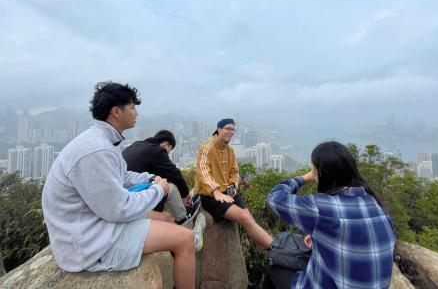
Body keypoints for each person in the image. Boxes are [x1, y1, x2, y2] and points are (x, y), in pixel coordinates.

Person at [42, 82, 197, 289]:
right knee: (186, 239)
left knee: (166, 218)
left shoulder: (103, 140)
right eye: (132, 107)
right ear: (116, 111)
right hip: (88, 243)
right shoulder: (98, 149)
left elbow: (122, 175)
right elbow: (119, 208)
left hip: (95, 222)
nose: (136, 112)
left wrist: (150, 179)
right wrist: (159, 190)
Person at [264, 141, 396, 289]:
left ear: (321, 172)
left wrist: (305, 177)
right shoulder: (376, 205)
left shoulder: (323, 208)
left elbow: (275, 198)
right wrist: (319, 238)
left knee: (274, 267)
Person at [194, 118, 272, 249]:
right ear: (219, 130)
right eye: (228, 128)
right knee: (244, 218)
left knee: (249, 217)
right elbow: (203, 171)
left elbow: (235, 172)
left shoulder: (230, 151)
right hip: (211, 196)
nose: (231, 132)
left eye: (233, 129)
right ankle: (276, 248)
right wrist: (216, 191)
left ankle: (270, 251)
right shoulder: (207, 148)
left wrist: (232, 185)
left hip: (229, 193)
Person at [123, 129, 201, 227]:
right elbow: (174, 174)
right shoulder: (157, 151)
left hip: (125, 196)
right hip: (137, 202)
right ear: (166, 144)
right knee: (171, 187)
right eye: (170, 149)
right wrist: (185, 195)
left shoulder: (136, 145)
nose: (167, 154)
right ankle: (182, 217)